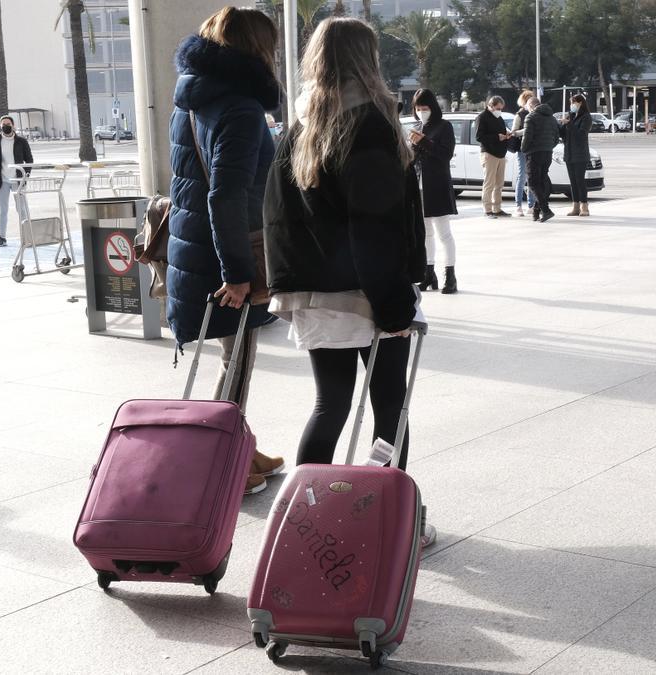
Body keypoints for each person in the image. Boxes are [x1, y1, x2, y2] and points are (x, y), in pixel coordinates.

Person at [262, 19, 433, 551]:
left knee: (330, 404)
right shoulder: (369, 122)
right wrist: (394, 301)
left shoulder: (301, 122)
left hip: (316, 291)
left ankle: (300, 521)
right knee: (389, 403)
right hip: (365, 287)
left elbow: (278, 213)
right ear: (368, 59)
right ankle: (390, 521)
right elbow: (374, 222)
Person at [169, 7, 284, 494]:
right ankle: (221, 468)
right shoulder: (239, 108)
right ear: (258, 51)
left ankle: (238, 443)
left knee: (229, 355)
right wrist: (238, 272)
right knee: (237, 360)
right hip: (226, 258)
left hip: (196, 249)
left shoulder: (193, 98)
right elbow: (226, 194)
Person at [409, 88, 458, 294]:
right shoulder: (417, 126)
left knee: (443, 232)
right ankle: (429, 273)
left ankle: (450, 275)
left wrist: (423, 142)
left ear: (433, 108)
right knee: (425, 233)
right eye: (418, 108)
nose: (421, 111)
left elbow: (445, 154)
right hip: (419, 187)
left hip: (436, 186)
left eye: (425, 108)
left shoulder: (444, 126)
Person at [0, 115, 33, 247]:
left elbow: (29, 160)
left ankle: (27, 238)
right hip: (2, 181)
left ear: (13, 125)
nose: (5, 126)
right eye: (3, 124)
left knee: (22, 209)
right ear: (0, 126)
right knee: (3, 210)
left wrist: (25, 176)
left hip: (18, 180)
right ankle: (2, 238)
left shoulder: (21, 142)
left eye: (8, 123)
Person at [522, 95, 559, 222]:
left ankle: (546, 210)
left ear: (531, 106)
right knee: (542, 182)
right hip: (547, 153)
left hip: (534, 153)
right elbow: (556, 137)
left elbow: (527, 137)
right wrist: (548, 146)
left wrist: (524, 149)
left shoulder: (530, 117)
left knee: (532, 182)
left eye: (527, 106)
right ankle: (537, 212)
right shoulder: (552, 118)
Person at [475, 95, 511, 218]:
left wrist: (507, 134)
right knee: (489, 183)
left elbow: (501, 131)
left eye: (501, 108)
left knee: (499, 183)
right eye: (497, 108)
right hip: (489, 153)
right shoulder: (482, 117)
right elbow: (479, 137)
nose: (499, 111)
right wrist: (497, 137)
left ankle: (497, 208)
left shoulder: (499, 118)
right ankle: (487, 210)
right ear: (490, 106)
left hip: (501, 154)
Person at [560, 93, 592, 216]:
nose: (572, 105)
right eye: (571, 103)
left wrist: (569, 124)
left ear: (580, 103)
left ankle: (584, 206)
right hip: (569, 153)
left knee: (580, 180)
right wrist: (561, 126)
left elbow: (580, 135)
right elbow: (564, 134)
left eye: (574, 102)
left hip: (580, 154)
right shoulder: (571, 116)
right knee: (572, 181)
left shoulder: (586, 117)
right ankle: (575, 206)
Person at [509, 90, 537, 217]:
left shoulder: (535, 113)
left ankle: (531, 205)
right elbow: (514, 132)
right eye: (529, 99)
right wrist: (527, 130)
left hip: (533, 148)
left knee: (531, 176)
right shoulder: (519, 115)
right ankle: (518, 206)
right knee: (522, 176)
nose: (531, 102)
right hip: (522, 148)